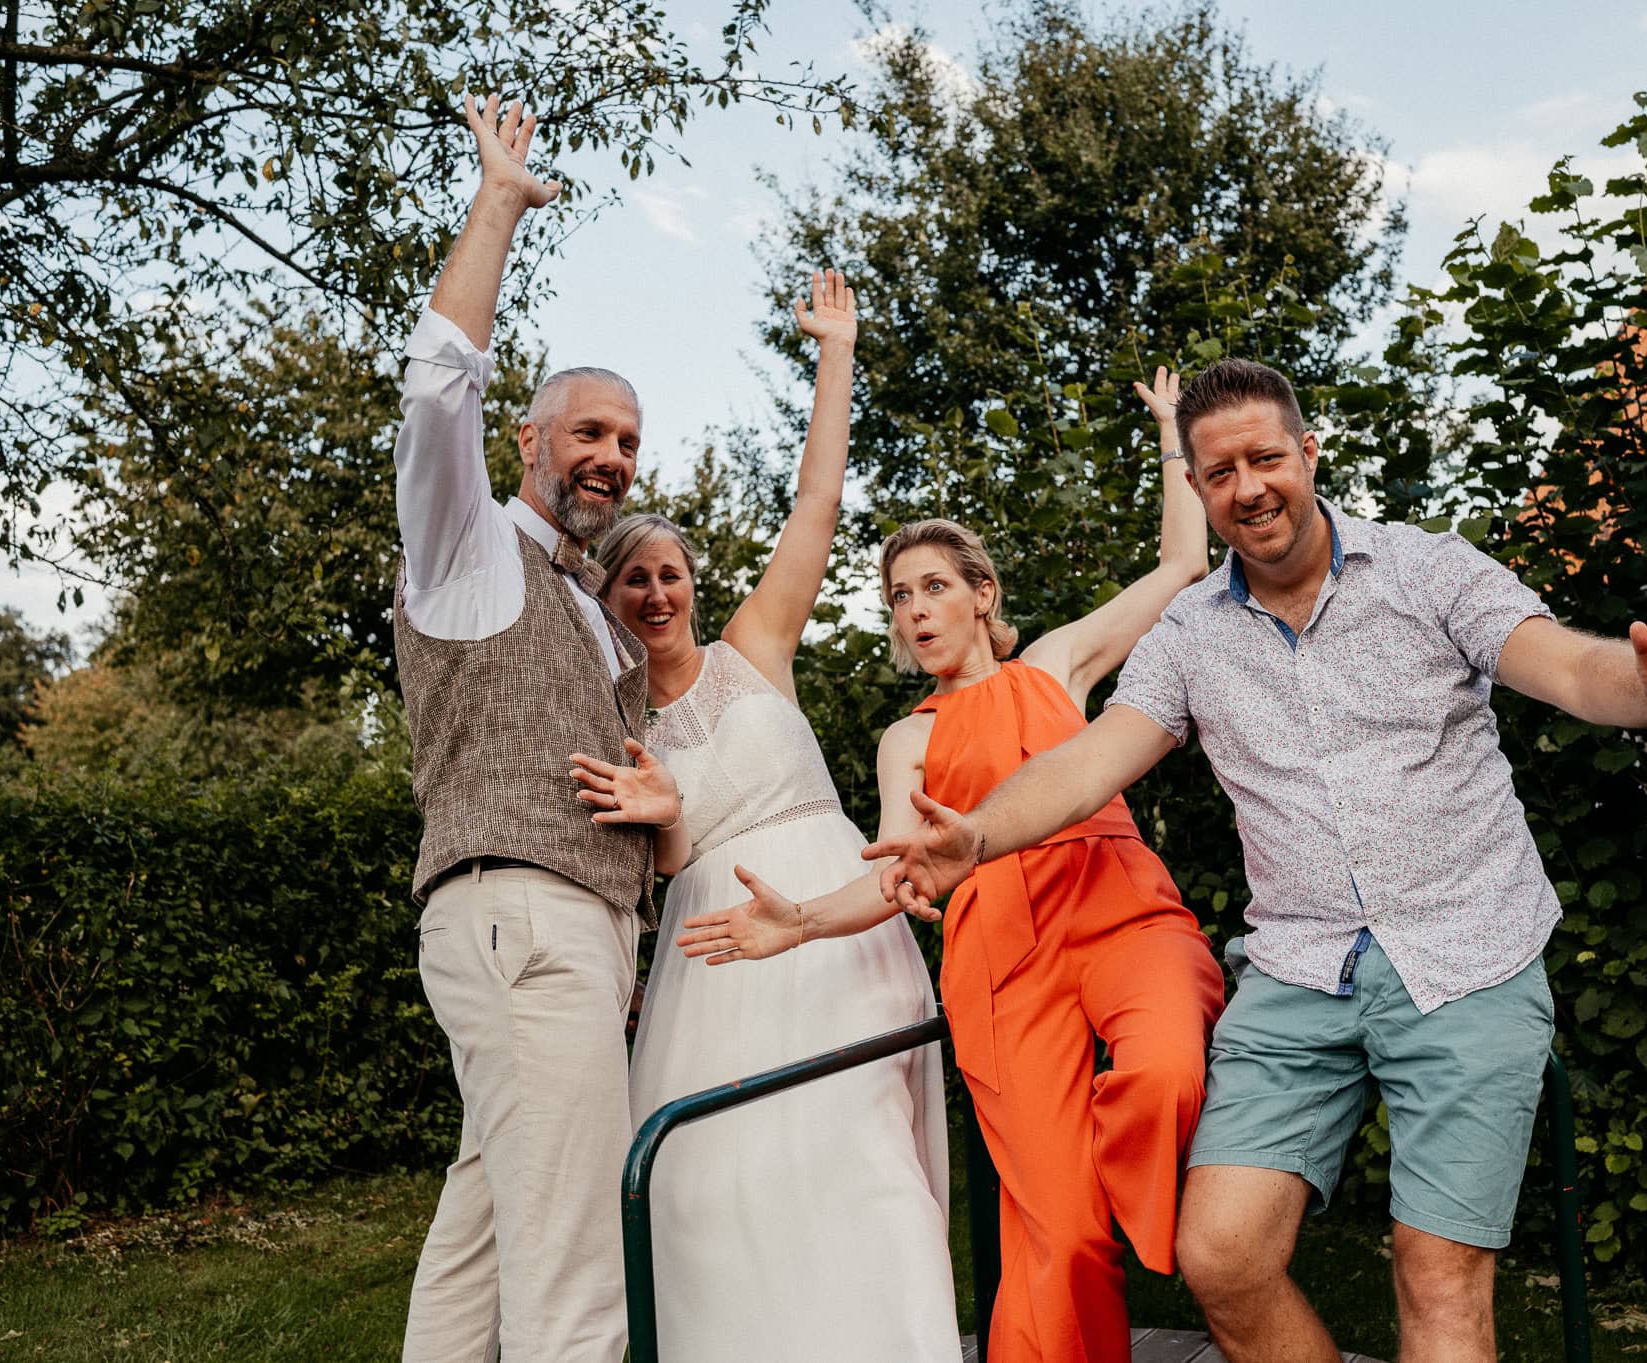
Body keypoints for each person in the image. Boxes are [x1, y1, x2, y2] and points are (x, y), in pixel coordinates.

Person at [866, 357, 1647, 1363]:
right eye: (1220, 473)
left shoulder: (1426, 571)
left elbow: (1564, 663)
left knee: (1436, 1278)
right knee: (1220, 1254)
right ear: (1198, 487)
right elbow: (1087, 763)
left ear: (1307, 451)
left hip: (1465, 954)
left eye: (1265, 459)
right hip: (1300, 973)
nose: (1248, 487)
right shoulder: (1189, 635)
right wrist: (976, 835)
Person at [673, 369, 1227, 1363]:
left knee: (1165, 1068)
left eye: (935, 586)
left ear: (982, 595)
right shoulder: (908, 740)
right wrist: (800, 919)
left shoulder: (1055, 665)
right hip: (1003, 965)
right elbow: (895, 871)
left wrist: (1171, 438)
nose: (917, 610)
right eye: (900, 596)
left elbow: (1184, 562)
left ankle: (1126, 1189)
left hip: (1118, 911)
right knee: (1059, 1238)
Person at [566, 274, 961, 1361]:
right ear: (605, 599)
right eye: (632, 580)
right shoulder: (612, 722)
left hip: (837, 925)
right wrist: (665, 820)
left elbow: (816, 505)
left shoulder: (755, 650)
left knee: (863, 1159)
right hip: (717, 954)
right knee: (722, 1182)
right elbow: (661, 862)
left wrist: (836, 351)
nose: (656, 593)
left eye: (670, 574)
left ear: (693, 584)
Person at [392, 95, 654, 1363]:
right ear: (528, 438)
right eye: (588, 432)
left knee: (487, 1225)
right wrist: (498, 199)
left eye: (628, 442)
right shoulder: (468, 548)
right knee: (574, 1263)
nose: (611, 456)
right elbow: (438, 384)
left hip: (571, 933)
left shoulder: (597, 614)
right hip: (520, 918)